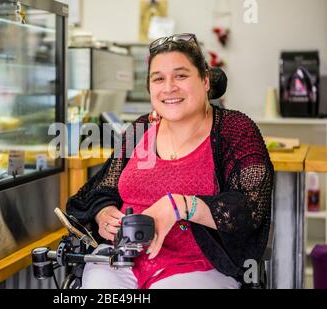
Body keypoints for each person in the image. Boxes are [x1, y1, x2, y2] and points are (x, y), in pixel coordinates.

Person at [66, 33, 274, 289]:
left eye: (181, 75)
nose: (168, 88)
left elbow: (250, 210)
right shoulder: (142, 128)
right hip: (123, 261)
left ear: (205, 80)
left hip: (198, 266)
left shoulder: (234, 129)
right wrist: (103, 213)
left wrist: (181, 205)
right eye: (158, 79)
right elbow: (102, 188)